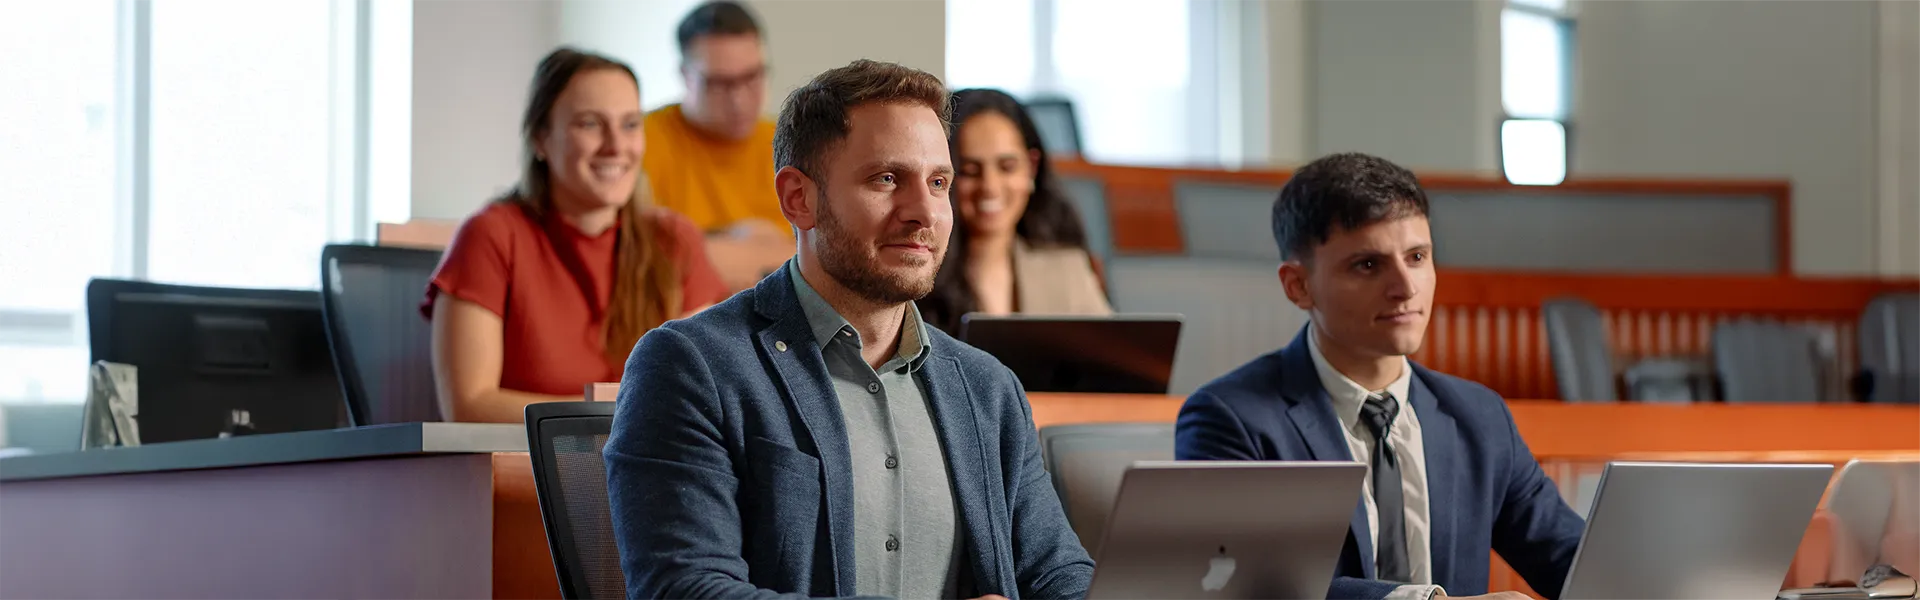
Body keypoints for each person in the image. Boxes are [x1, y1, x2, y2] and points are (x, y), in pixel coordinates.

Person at [604, 59, 1093, 600]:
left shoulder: (987, 388)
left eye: (938, 183)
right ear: (798, 198)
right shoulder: (692, 366)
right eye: (886, 179)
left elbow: (1059, 573)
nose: (923, 212)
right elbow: (684, 590)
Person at [1174, 153, 1584, 600]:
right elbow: (1248, 587)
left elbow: (1573, 564)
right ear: (1298, 286)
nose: (1406, 287)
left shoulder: (1480, 416)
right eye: (1368, 265)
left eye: (1417, 257)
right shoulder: (1231, 417)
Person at [423, 47, 728, 423]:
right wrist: (628, 410)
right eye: (590, 124)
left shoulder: (675, 240)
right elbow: (469, 406)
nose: (616, 146)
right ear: (540, 138)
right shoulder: (490, 236)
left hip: (648, 476)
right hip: (527, 475)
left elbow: (705, 392)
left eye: (630, 124)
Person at [917, 88, 1111, 334]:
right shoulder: (915, 274)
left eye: (1007, 167)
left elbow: (1115, 364)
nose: (990, 187)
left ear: (1032, 168)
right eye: (970, 170)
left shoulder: (1067, 271)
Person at [643, 1, 793, 292]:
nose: (738, 100)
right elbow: (644, 262)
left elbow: (827, 263)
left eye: (751, 77)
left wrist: (705, 248)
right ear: (685, 75)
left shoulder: (790, 141)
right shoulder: (641, 140)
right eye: (719, 84)